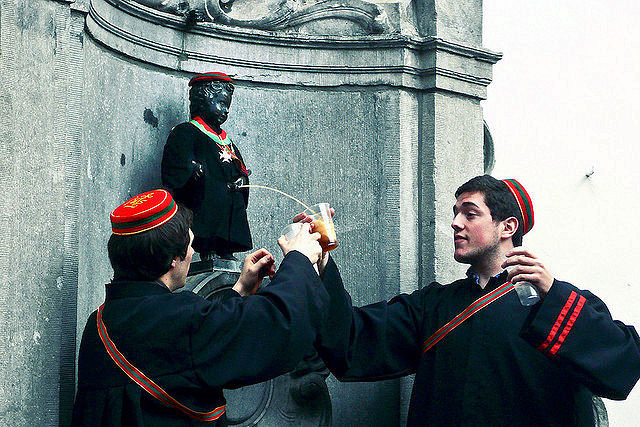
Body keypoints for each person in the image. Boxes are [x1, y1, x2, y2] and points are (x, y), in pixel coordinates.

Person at [312, 175, 640, 425]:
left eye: (470, 214)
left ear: (507, 227)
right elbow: (354, 338)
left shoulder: (557, 304)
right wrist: (321, 261)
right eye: (455, 213)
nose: (455, 223)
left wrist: (552, 292)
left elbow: (623, 364)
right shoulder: (434, 304)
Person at [72, 189, 328, 425]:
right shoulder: (179, 319)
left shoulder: (99, 322)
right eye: (190, 244)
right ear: (173, 258)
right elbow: (277, 326)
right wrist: (300, 259)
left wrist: (239, 290)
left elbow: (185, 359)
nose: (193, 252)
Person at [162, 72, 251, 260]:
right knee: (208, 202)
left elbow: (239, 165)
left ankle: (226, 248)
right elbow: (175, 160)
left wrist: (242, 178)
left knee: (230, 205)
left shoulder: (225, 139)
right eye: (221, 104)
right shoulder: (187, 131)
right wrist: (192, 168)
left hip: (228, 193)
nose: (225, 111)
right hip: (204, 194)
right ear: (203, 101)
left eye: (227, 106)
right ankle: (207, 247)